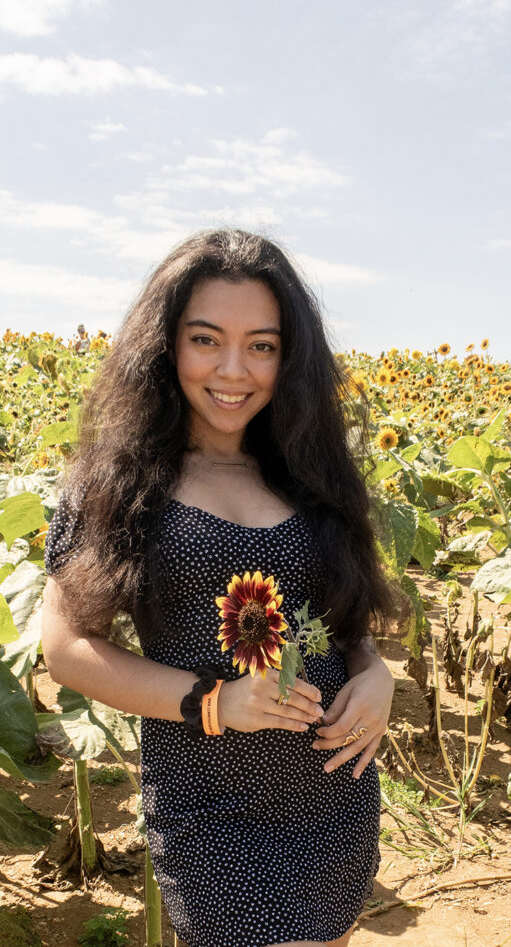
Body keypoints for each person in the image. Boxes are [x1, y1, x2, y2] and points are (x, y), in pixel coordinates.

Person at [41, 229, 399, 947]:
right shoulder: (115, 484)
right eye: (207, 339)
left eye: (262, 345)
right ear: (166, 345)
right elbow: (68, 647)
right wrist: (217, 701)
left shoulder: (313, 475)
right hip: (211, 808)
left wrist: (375, 674)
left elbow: (343, 618)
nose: (234, 368)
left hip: (333, 799)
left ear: (288, 357)